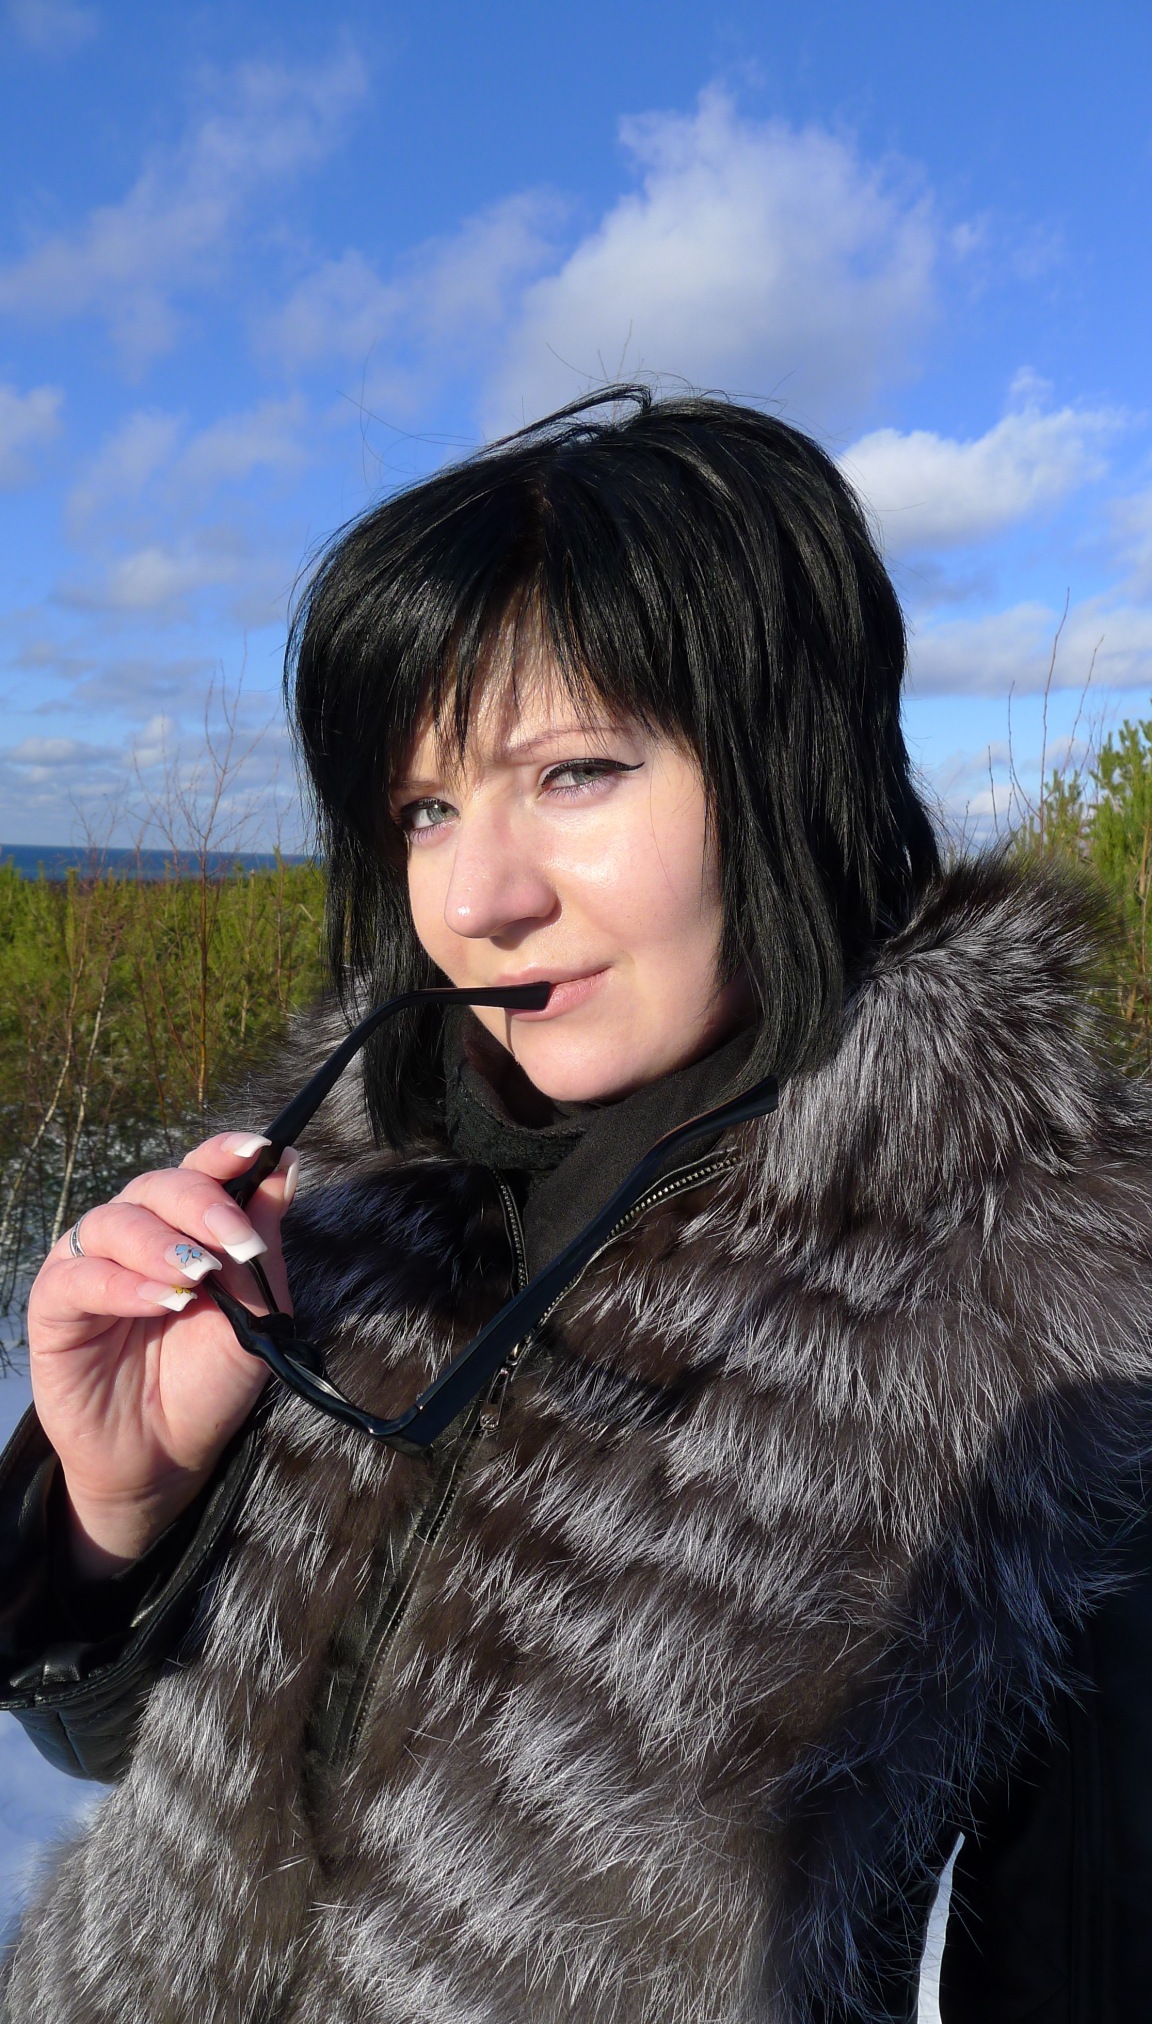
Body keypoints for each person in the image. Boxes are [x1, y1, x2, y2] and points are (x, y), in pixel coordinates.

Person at [2, 388, 1152, 2024]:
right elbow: (157, 1775)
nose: (478, 899)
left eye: (577, 772)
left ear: (788, 767)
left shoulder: (1053, 1307)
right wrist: (119, 1516)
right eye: (424, 809)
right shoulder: (347, 1193)